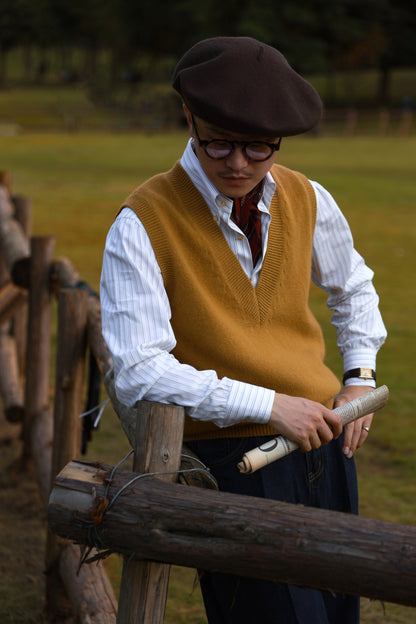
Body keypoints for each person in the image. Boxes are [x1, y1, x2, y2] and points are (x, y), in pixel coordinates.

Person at [100, 36, 387, 624]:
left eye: (259, 147)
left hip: (323, 450)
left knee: (337, 615)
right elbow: (139, 370)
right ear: (189, 117)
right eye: (219, 143)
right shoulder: (142, 222)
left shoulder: (308, 197)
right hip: (230, 464)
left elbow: (353, 288)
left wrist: (359, 377)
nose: (238, 163)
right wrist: (270, 404)